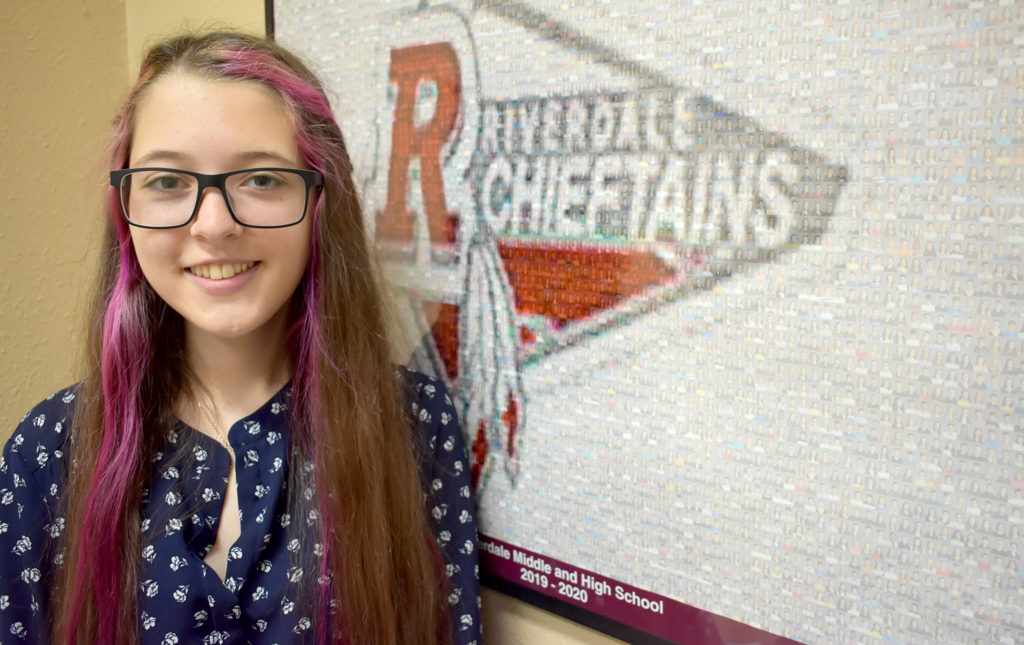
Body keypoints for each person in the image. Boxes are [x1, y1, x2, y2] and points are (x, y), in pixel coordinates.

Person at [0, 32, 480, 645]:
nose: (214, 226)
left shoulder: (414, 426)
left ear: (319, 200)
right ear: (125, 210)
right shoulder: (50, 451)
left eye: (260, 179)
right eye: (168, 182)